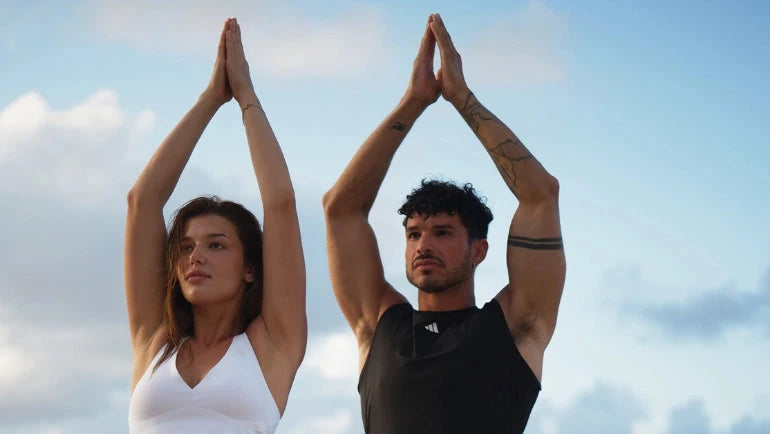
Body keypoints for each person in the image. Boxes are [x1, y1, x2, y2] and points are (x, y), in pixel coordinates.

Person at [323, 13, 566, 434]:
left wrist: (462, 98)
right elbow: (340, 209)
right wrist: (413, 101)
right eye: (414, 234)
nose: (423, 245)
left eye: (442, 232)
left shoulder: (513, 326)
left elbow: (539, 195)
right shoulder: (380, 326)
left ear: (478, 250)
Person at [125, 18, 306, 433]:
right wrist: (210, 98)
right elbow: (142, 201)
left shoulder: (270, 346)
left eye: (217, 245)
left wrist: (245, 99)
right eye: (186, 247)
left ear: (250, 269)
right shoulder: (154, 343)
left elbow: (281, 204)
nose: (196, 256)